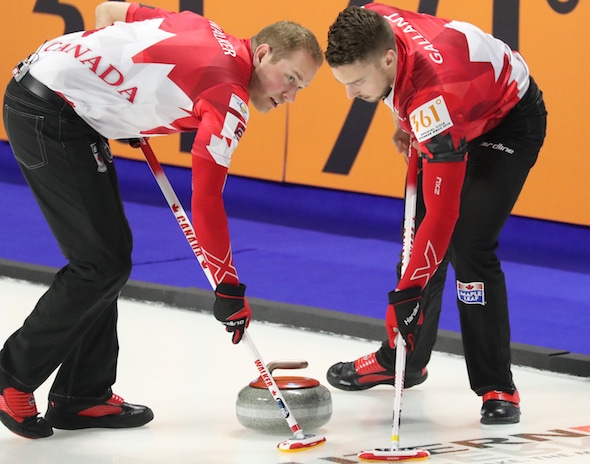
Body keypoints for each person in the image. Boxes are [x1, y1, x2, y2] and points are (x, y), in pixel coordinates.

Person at [0, 1, 322, 439]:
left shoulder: (202, 26)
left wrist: (116, 99)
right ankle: (10, 378)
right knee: (99, 264)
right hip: (49, 112)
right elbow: (206, 200)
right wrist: (228, 286)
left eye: (300, 88)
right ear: (263, 54)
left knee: (108, 258)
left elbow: (109, 12)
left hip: (56, 95)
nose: (291, 97)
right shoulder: (228, 98)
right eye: (291, 79)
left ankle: (82, 393)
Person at [324, 3, 547, 424]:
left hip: (506, 121)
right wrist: (401, 116)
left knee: (468, 245)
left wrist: (405, 295)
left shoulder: (432, 101)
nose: (350, 95)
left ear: (388, 58)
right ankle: (403, 359)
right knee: (417, 244)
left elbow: (443, 215)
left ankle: (496, 385)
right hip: (453, 107)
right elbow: (402, 77)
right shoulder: (372, 18)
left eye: (355, 83)